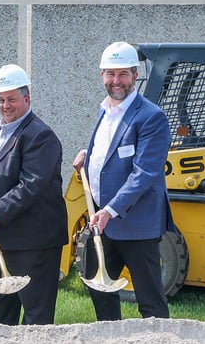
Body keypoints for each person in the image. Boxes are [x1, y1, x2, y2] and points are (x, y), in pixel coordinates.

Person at [73, 41, 174, 320]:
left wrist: (110, 210)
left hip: (135, 224)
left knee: (150, 298)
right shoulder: (104, 110)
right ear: (102, 76)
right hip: (102, 221)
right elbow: (112, 152)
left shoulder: (151, 117)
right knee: (98, 284)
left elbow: (145, 173)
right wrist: (88, 154)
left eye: (123, 75)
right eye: (111, 74)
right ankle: (112, 341)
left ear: (135, 76)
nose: (116, 81)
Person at [0, 64, 68, 326]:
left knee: (35, 313)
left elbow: (31, 185)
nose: (5, 105)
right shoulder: (3, 127)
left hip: (31, 242)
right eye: (1, 100)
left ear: (27, 98)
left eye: (11, 99)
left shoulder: (40, 136)